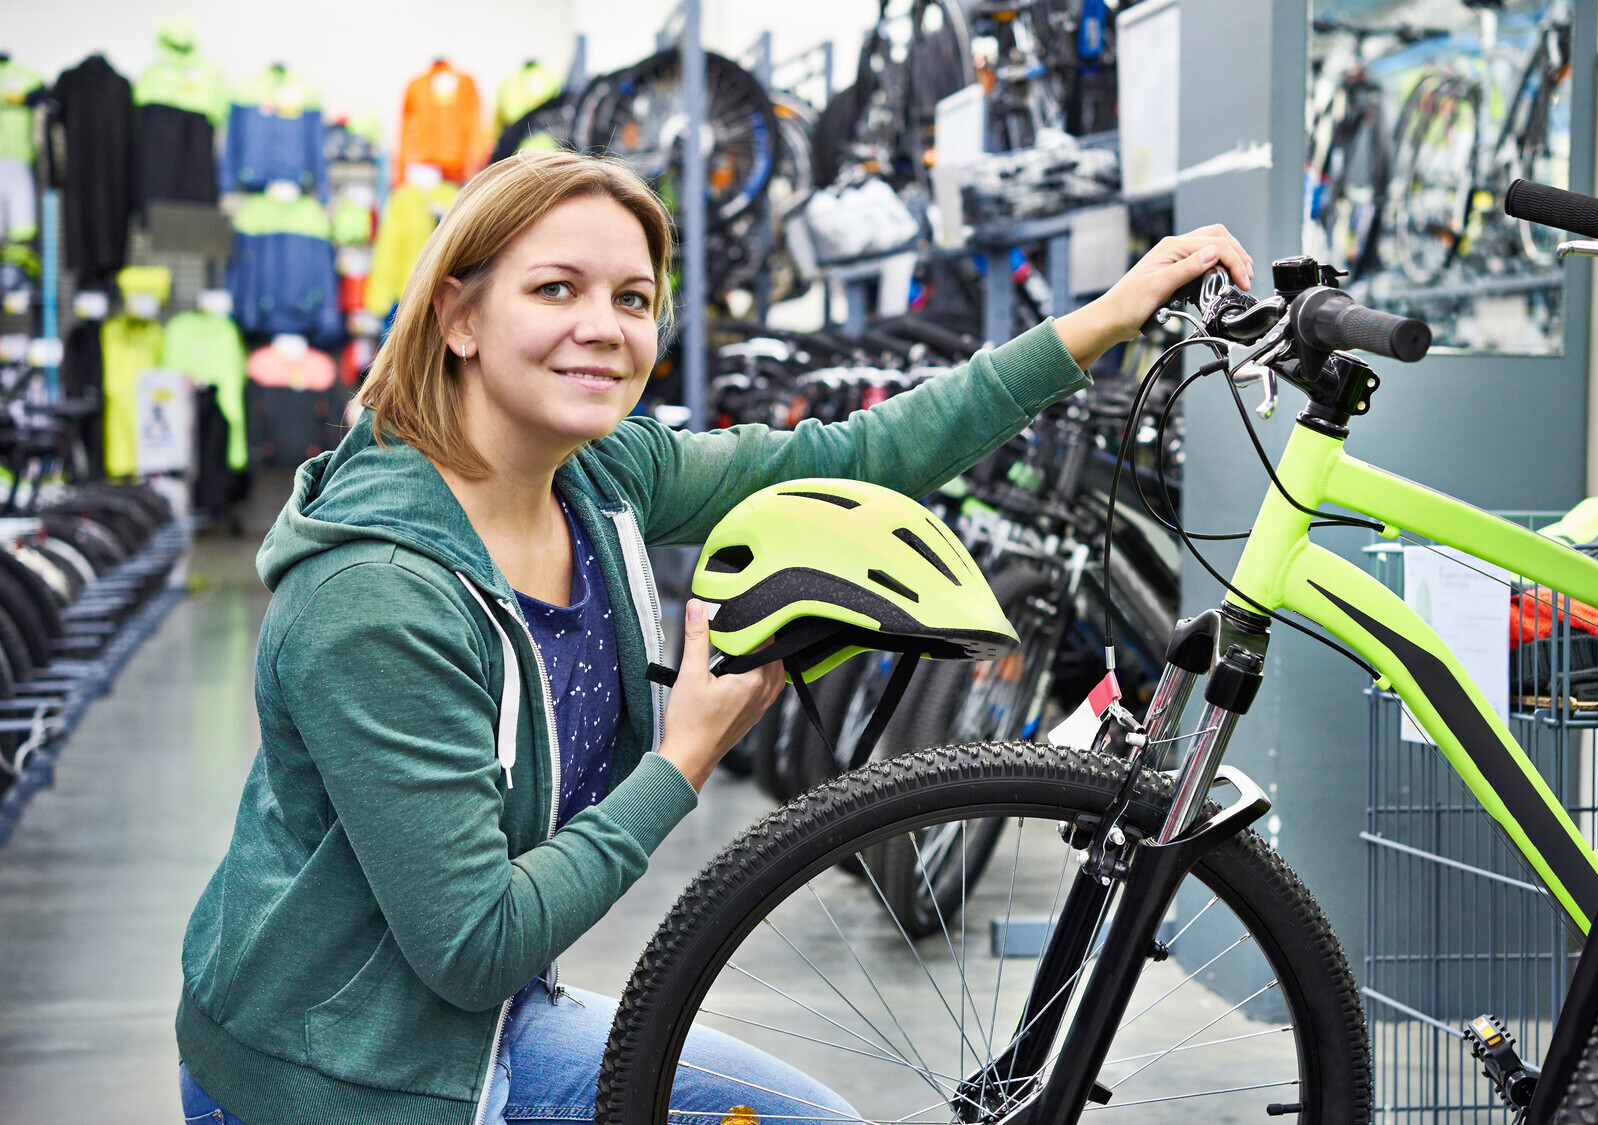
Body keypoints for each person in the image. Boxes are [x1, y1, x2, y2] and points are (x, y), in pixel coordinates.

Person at [176, 148, 1251, 1125]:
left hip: (476, 1029)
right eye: (556, 289)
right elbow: (474, 946)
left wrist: (1102, 320)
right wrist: (683, 753)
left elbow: (861, 455)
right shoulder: (377, 597)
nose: (604, 326)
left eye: (632, 298)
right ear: (457, 314)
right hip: (336, 1079)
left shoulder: (597, 479)